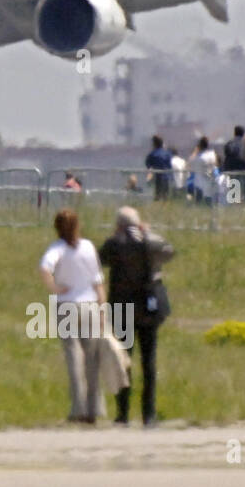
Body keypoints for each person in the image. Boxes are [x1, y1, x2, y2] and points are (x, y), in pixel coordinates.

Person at [99, 207, 174, 427]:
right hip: (147, 308)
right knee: (149, 361)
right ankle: (148, 415)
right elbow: (169, 251)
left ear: (119, 224)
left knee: (123, 361)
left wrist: (116, 235)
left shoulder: (113, 244)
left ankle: (122, 414)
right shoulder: (150, 243)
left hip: (123, 308)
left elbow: (100, 259)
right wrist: (147, 233)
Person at [38, 209, 106, 424]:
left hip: (67, 305)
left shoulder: (56, 248)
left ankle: (78, 408)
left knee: (73, 357)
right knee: (92, 359)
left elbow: (44, 268)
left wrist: (55, 288)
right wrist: (103, 308)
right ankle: (95, 408)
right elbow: (98, 281)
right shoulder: (88, 247)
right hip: (89, 305)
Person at [188, 136, 219, 204]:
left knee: (199, 205)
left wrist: (195, 151)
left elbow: (190, 163)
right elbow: (216, 164)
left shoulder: (199, 158)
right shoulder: (212, 154)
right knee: (210, 204)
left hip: (200, 185)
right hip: (210, 183)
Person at [145, 135, 173, 201]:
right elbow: (170, 165)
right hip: (167, 177)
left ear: (154, 144)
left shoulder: (153, 154)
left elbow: (148, 165)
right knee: (165, 196)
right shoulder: (167, 153)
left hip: (157, 177)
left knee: (157, 196)